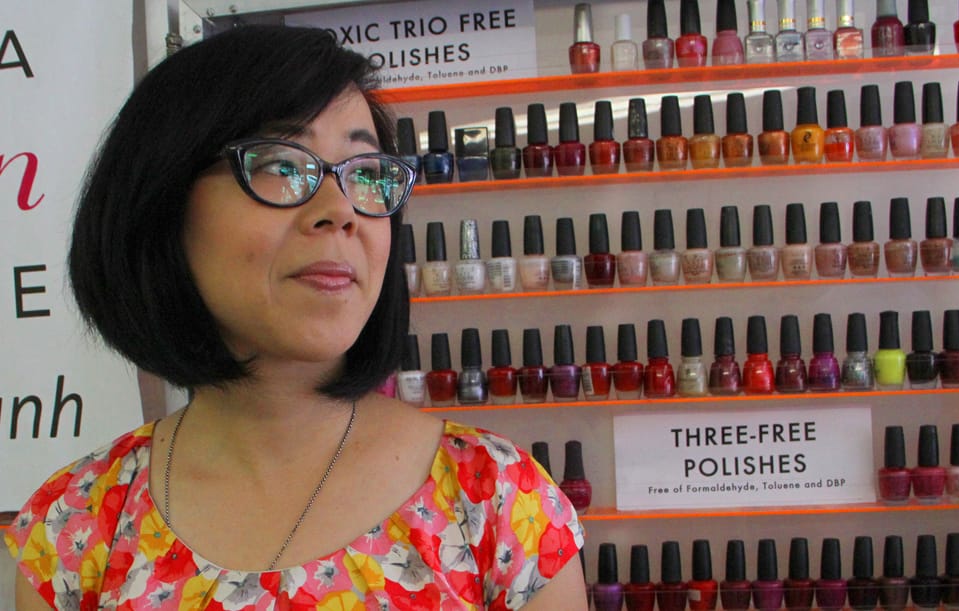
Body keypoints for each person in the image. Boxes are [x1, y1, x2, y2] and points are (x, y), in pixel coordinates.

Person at [5, 25, 585, 610]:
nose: (340, 212)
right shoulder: (75, 527)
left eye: (365, 172)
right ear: (162, 202)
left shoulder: (502, 503)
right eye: (282, 166)